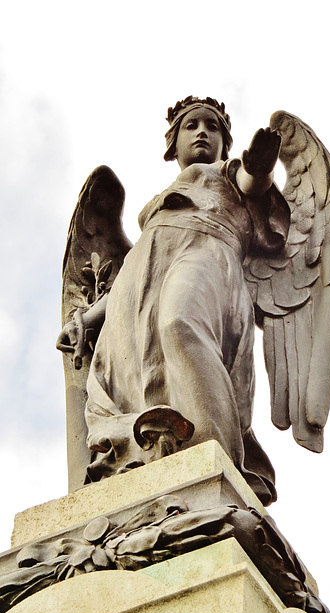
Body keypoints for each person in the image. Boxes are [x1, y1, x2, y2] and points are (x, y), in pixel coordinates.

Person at [59, 97, 289, 505]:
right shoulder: (161, 201)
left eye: (212, 127)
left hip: (208, 248)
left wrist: (260, 167)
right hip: (143, 273)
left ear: (224, 143)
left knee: (180, 325)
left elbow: (254, 183)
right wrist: (88, 318)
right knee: (128, 363)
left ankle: (212, 459)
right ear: (173, 143)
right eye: (191, 126)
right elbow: (125, 276)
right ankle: (155, 447)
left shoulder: (225, 174)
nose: (202, 132)